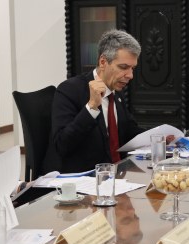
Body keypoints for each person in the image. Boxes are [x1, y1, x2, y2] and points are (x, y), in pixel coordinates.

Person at [43, 30, 172, 173]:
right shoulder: (69, 90)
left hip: (117, 175)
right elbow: (62, 145)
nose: (130, 75)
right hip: (82, 178)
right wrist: (91, 107)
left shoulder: (116, 93)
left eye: (132, 68)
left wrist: (159, 138)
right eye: (123, 67)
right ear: (103, 62)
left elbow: (129, 131)